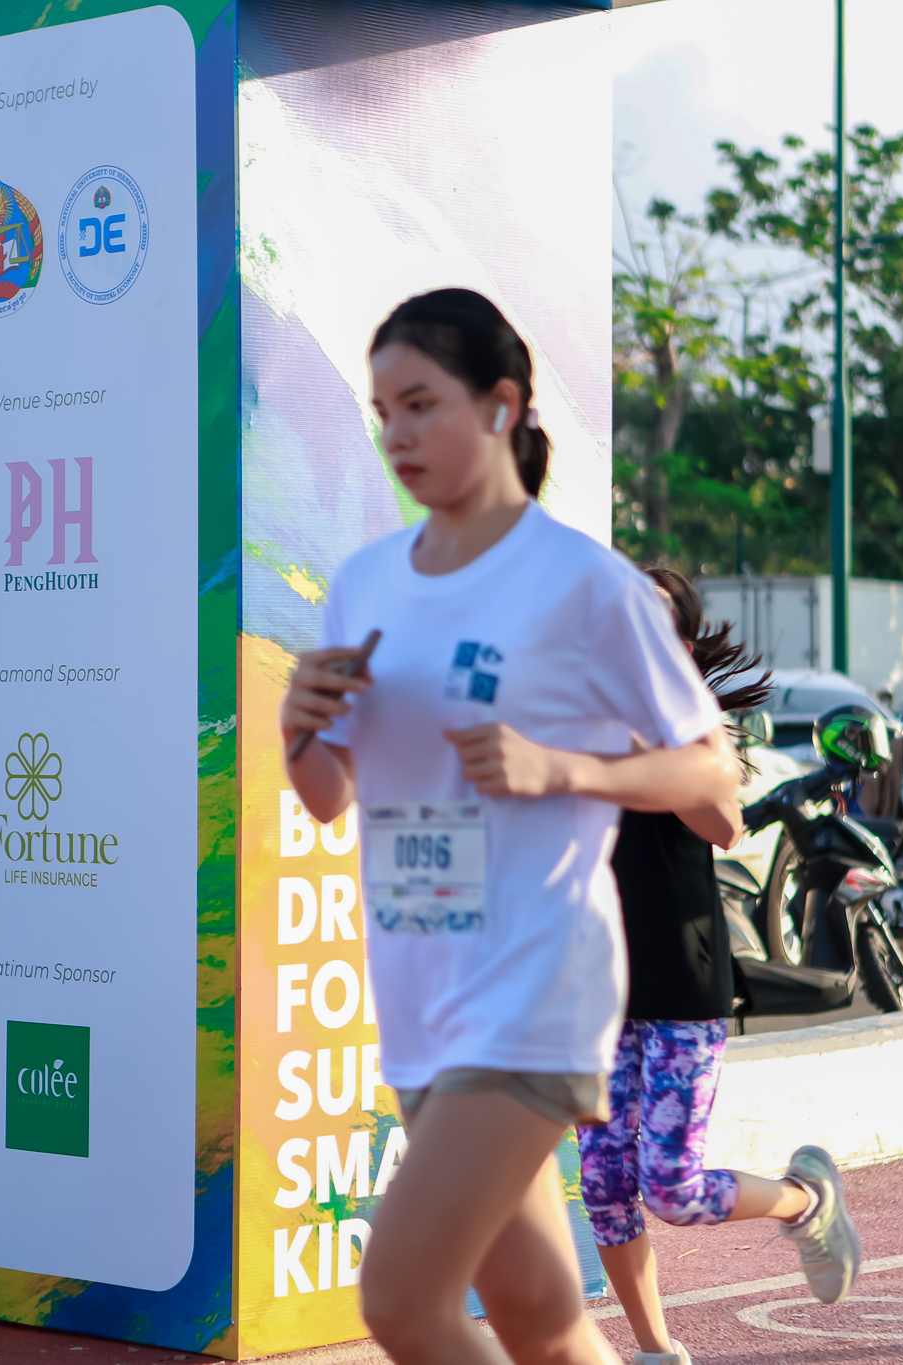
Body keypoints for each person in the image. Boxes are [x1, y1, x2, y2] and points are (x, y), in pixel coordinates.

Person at [282, 288, 744, 1365]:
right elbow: (327, 795)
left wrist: (561, 768)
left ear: (499, 406)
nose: (396, 435)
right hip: (420, 995)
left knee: (402, 1300)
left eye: (420, 404)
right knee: (539, 1319)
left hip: (537, 986)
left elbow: (712, 775)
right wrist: (298, 727)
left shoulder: (582, 585)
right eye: (382, 412)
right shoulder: (364, 584)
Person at [579, 568, 863, 1365]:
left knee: (670, 1186)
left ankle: (805, 1200)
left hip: (680, 981)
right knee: (603, 1185)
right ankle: (656, 1350)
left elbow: (725, 823)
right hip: (596, 988)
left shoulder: (696, 723)